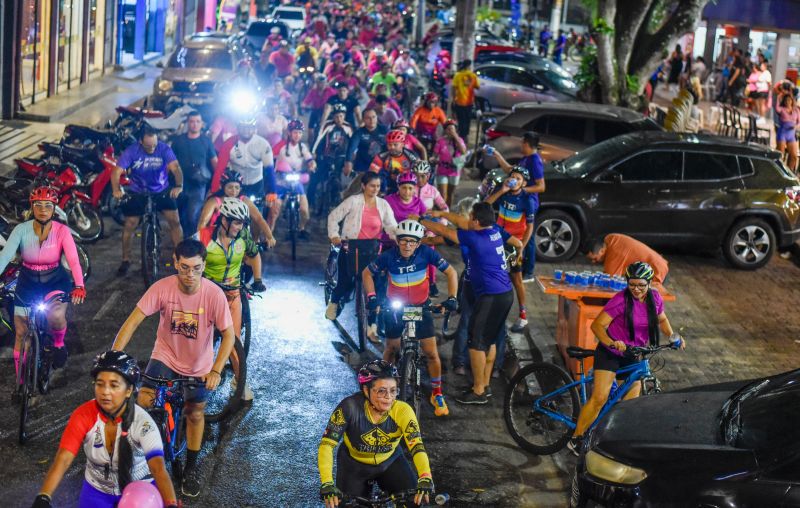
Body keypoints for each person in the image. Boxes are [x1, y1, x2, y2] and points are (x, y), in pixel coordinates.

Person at [111, 239, 235, 497]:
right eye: (185, 267)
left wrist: (215, 369)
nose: (190, 275)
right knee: (143, 401)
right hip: (165, 355)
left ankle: (191, 467)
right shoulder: (162, 288)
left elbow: (228, 335)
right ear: (175, 263)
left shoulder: (213, 295)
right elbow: (132, 322)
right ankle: (137, 459)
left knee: (195, 413)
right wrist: (114, 358)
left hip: (198, 365)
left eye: (197, 268)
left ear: (203, 266)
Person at [31, 351, 178, 508]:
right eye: (100, 384)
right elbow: (64, 458)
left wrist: (171, 504)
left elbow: (158, 468)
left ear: (129, 391)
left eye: (114, 385)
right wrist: (44, 496)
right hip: (97, 490)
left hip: (139, 491)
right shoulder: (83, 415)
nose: (105, 391)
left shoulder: (143, 423)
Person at [568, 262, 684, 455]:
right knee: (600, 398)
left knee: (630, 404)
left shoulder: (654, 298)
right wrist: (612, 342)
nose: (636, 289)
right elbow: (597, 326)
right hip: (610, 353)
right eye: (632, 285)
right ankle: (576, 439)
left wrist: (673, 336)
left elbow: (662, 319)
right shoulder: (620, 300)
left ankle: (616, 439)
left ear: (649, 283)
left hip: (635, 353)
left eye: (641, 285)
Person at [419, 202, 515, 405]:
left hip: (491, 296)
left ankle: (479, 391)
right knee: (488, 341)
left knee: (476, 343)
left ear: (476, 222)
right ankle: (484, 385)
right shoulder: (494, 230)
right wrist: (441, 212)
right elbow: (461, 222)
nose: (468, 220)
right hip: (504, 293)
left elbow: (445, 230)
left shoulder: (474, 237)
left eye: (471, 217)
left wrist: (420, 220)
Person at [363, 220, 458, 416]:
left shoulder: (426, 253)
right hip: (396, 308)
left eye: (412, 242)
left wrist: (452, 298)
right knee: (391, 348)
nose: (407, 245)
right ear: (397, 241)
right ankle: (383, 387)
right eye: (404, 241)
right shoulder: (388, 256)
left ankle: (437, 393)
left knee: (431, 353)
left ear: (418, 243)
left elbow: (451, 272)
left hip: (419, 306)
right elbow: (366, 273)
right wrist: (372, 297)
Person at [318, 360, 434, 507]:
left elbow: (417, 446)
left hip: (390, 462)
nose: (389, 397)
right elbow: (327, 445)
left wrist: (425, 477)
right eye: (381, 391)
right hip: (353, 465)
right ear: (366, 390)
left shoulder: (403, 410)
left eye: (393, 390)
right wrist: (327, 483)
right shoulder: (348, 407)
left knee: (414, 503)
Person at [0, 187, 85, 382]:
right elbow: (4, 257)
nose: (43, 209)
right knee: (21, 332)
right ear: (32, 207)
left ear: (54, 209)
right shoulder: (21, 230)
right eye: (38, 205)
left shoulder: (62, 231)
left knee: (55, 316)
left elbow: (73, 260)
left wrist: (79, 285)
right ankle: (20, 383)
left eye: (48, 205)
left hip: (55, 280)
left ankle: (58, 343)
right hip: (27, 282)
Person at [197, 198, 257, 401]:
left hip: (232, 296)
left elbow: (255, 255)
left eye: (242, 223)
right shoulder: (204, 236)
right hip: (208, 295)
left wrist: (257, 279)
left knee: (233, 341)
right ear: (224, 220)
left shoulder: (244, 236)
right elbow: (187, 256)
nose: (240, 227)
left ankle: (239, 381)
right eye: (237, 222)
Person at [112, 126, 184, 277]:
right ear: (140, 142)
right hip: (138, 191)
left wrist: (178, 186)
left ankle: (181, 258)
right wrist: (116, 190)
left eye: (154, 145)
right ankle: (126, 259)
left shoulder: (164, 149)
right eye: (148, 146)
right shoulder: (132, 151)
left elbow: (176, 168)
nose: (151, 148)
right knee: (130, 224)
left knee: (175, 221)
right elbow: (116, 171)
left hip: (161, 190)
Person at [326, 172, 397, 320]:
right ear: (364, 186)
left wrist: (398, 239)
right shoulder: (353, 201)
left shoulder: (383, 205)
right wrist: (334, 235)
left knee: (379, 283)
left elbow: (391, 226)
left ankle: (373, 322)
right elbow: (334, 216)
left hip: (372, 250)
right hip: (350, 248)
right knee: (344, 281)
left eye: (377, 186)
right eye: (372, 186)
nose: (375, 189)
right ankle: (333, 303)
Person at [197, 170, 274, 291]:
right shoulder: (215, 201)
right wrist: (201, 244)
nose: (234, 191)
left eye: (237, 188)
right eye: (230, 187)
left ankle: (246, 285)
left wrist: (269, 236)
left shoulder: (244, 200)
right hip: (217, 238)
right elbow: (202, 222)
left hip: (238, 238)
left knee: (252, 254)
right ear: (223, 187)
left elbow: (259, 218)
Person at [488, 131, 545, 280]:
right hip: (514, 203)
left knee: (527, 238)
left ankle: (528, 272)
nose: (521, 145)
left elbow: (541, 186)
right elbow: (510, 170)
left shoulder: (535, 161)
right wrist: (497, 154)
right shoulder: (526, 158)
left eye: (522, 143)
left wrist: (520, 190)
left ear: (527, 144)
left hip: (526, 204)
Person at [485, 166, 536, 332]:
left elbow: (530, 227)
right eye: (513, 177)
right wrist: (502, 190)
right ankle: (491, 309)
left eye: (519, 178)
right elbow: (485, 205)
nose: (515, 180)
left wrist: (522, 248)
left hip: (515, 244)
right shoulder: (504, 192)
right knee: (493, 273)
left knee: (516, 279)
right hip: (497, 240)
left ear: (524, 183)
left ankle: (523, 316)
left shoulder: (527, 200)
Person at [210, 117, 277, 212]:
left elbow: (269, 169)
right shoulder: (228, 143)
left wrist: (272, 191)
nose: (246, 130)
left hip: (256, 184)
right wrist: (215, 189)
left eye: (249, 127)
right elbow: (220, 168)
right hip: (236, 185)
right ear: (238, 128)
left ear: (255, 129)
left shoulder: (263, 144)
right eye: (243, 127)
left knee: (258, 216)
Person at [171, 110, 218, 237]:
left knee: (193, 217)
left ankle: (192, 244)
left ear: (202, 123)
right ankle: (182, 245)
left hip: (198, 186)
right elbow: (170, 163)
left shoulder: (206, 141)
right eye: (192, 121)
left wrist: (218, 182)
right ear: (187, 123)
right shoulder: (178, 141)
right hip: (180, 185)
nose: (194, 124)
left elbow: (215, 163)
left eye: (198, 121)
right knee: (180, 218)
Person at [270, 119, 317, 238]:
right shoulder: (280, 146)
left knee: (305, 211)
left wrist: (312, 165)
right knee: (274, 210)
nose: (298, 135)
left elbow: (309, 159)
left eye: (300, 133)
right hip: (281, 180)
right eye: (295, 132)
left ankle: (301, 228)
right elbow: (269, 158)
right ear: (289, 133)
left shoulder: (303, 147)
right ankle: (268, 235)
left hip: (296, 180)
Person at [312, 103, 353, 207]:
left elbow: (353, 143)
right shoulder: (328, 125)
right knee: (316, 177)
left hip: (342, 156)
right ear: (333, 117)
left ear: (344, 116)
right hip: (328, 155)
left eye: (341, 116)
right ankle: (311, 201)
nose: (339, 119)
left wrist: (353, 156)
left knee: (341, 178)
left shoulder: (348, 126)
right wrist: (313, 153)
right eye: (336, 116)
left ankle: (339, 198)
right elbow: (318, 139)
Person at [586, 234, 669, 285]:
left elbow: (609, 281)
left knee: (645, 306)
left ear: (602, 250)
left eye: (595, 259)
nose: (594, 262)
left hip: (656, 271)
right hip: (656, 266)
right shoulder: (611, 240)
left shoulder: (614, 252)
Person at [369, 129, 419, 194]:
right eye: (389, 145)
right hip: (388, 184)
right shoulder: (381, 156)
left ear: (402, 144)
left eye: (395, 145)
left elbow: (420, 172)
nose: (392, 147)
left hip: (407, 183)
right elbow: (372, 174)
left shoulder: (412, 155)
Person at [432, 118, 467, 206]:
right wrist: (434, 160)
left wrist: (455, 136)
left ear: (456, 129)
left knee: (450, 194)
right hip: (442, 170)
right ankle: (442, 213)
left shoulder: (460, 140)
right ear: (445, 130)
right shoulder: (440, 141)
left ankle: (448, 212)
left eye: (452, 128)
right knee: (443, 195)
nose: (450, 130)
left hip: (454, 171)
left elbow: (463, 151)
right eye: (448, 129)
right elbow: (434, 155)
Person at [345, 109, 387, 176]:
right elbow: (351, 148)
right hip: (363, 166)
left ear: (377, 117)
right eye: (368, 118)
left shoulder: (385, 130)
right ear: (363, 120)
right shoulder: (358, 133)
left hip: (381, 165)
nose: (371, 120)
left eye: (373, 117)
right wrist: (348, 162)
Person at [451, 59, 480, 141]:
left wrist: (453, 99)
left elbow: (454, 88)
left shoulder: (458, 75)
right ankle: (465, 136)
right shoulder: (473, 76)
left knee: (461, 120)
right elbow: (477, 87)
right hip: (469, 102)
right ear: (469, 66)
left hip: (459, 102)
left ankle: (460, 136)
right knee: (467, 120)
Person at [303, 75, 336, 143]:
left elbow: (336, 98)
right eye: (319, 83)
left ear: (326, 83)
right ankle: (310, 143)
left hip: (327, 111)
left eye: (323, 83)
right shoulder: (313, 91)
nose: (321, 85)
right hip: (315, 110)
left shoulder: (331, 91)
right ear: (317, 83)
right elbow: (307, 100)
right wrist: (304, 105)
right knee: (310, 128)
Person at [776, 93, 800, 172]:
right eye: (786, 100)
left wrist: (795, 127)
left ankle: (788, 172)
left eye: (789, 100)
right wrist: (778, 97)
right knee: (780, 154)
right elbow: (776, 108)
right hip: (782, 133)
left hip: (791, 134)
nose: (787, 101)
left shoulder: (796, 110)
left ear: (792, 101)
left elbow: (799, 122)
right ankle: (779, 171)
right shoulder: (781, 109)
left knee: (794, 156)